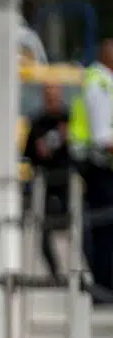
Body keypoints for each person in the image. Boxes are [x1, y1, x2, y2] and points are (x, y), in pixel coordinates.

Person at [68, 38, 113, 296]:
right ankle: (103, 287)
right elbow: (102, 137)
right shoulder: (101, 83)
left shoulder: (98, 79)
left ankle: (103, 284)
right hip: (98, 167)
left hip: (98, 166)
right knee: (104, 231)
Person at [23, 82, 71, 277]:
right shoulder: (38, 122)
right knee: (42, 228)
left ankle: (80, 270)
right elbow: (29, 153)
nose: (52, 100)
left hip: (66, 180)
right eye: (49, 96)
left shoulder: (70, 119)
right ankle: (55, 271)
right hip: (44, 182)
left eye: (55, 95)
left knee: (78, 224)